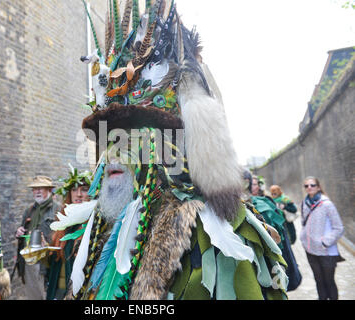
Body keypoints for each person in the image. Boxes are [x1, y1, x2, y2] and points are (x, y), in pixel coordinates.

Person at [62, 1, 289, 300]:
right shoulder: (98, 229)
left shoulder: (210, 235)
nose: (114, 153)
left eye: (130, 137)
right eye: (110, 139)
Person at [46, 166, 92, 300]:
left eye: (84, 190)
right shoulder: (64, 220)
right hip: (57, 290)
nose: (78, 194)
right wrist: (46, 251)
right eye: (74, 189)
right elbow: (56, 260)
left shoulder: (93, 224)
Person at [250, 176, 302, 291]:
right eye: (252, 184)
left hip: (283, 242)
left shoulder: (267, 199)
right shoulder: (250, 206)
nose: (256, 186)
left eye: (256, 183)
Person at [13, 175, 58, 299]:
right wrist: (18, 232)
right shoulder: (29, 211)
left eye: (41, 188)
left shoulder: (58, 209)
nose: (37, 191)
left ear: (49, 190)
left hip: (47, 263)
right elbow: (22, 231)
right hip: (29, 263)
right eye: (34, 189)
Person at [300, 176, 344, 300]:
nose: (309, 187)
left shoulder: (327, 204)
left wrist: (324, 242)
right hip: (310, 250)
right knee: (319, 281)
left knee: (329, 282)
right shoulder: (304, 203)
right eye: (306, 186)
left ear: (318, 187)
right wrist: (303, 238)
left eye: (312, 185)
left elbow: (339, 227)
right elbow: (304, 223)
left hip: (326, 251)